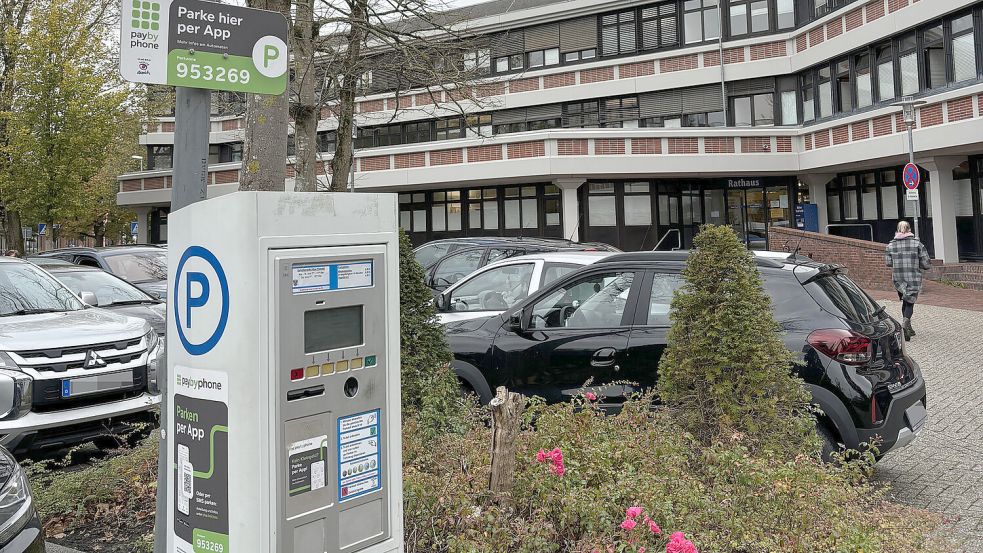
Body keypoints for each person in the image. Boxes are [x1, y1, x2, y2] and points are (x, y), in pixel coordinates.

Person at [885, 221, 931, 341]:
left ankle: (908, 327)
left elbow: (888, 263)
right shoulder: (917, 244)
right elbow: (926, 264)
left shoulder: (890, 245)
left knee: (905, 301)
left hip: (898, 279)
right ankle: (905, 324)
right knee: (910, 303)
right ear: (909, 229)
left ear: (897, 230)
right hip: (913, 278)